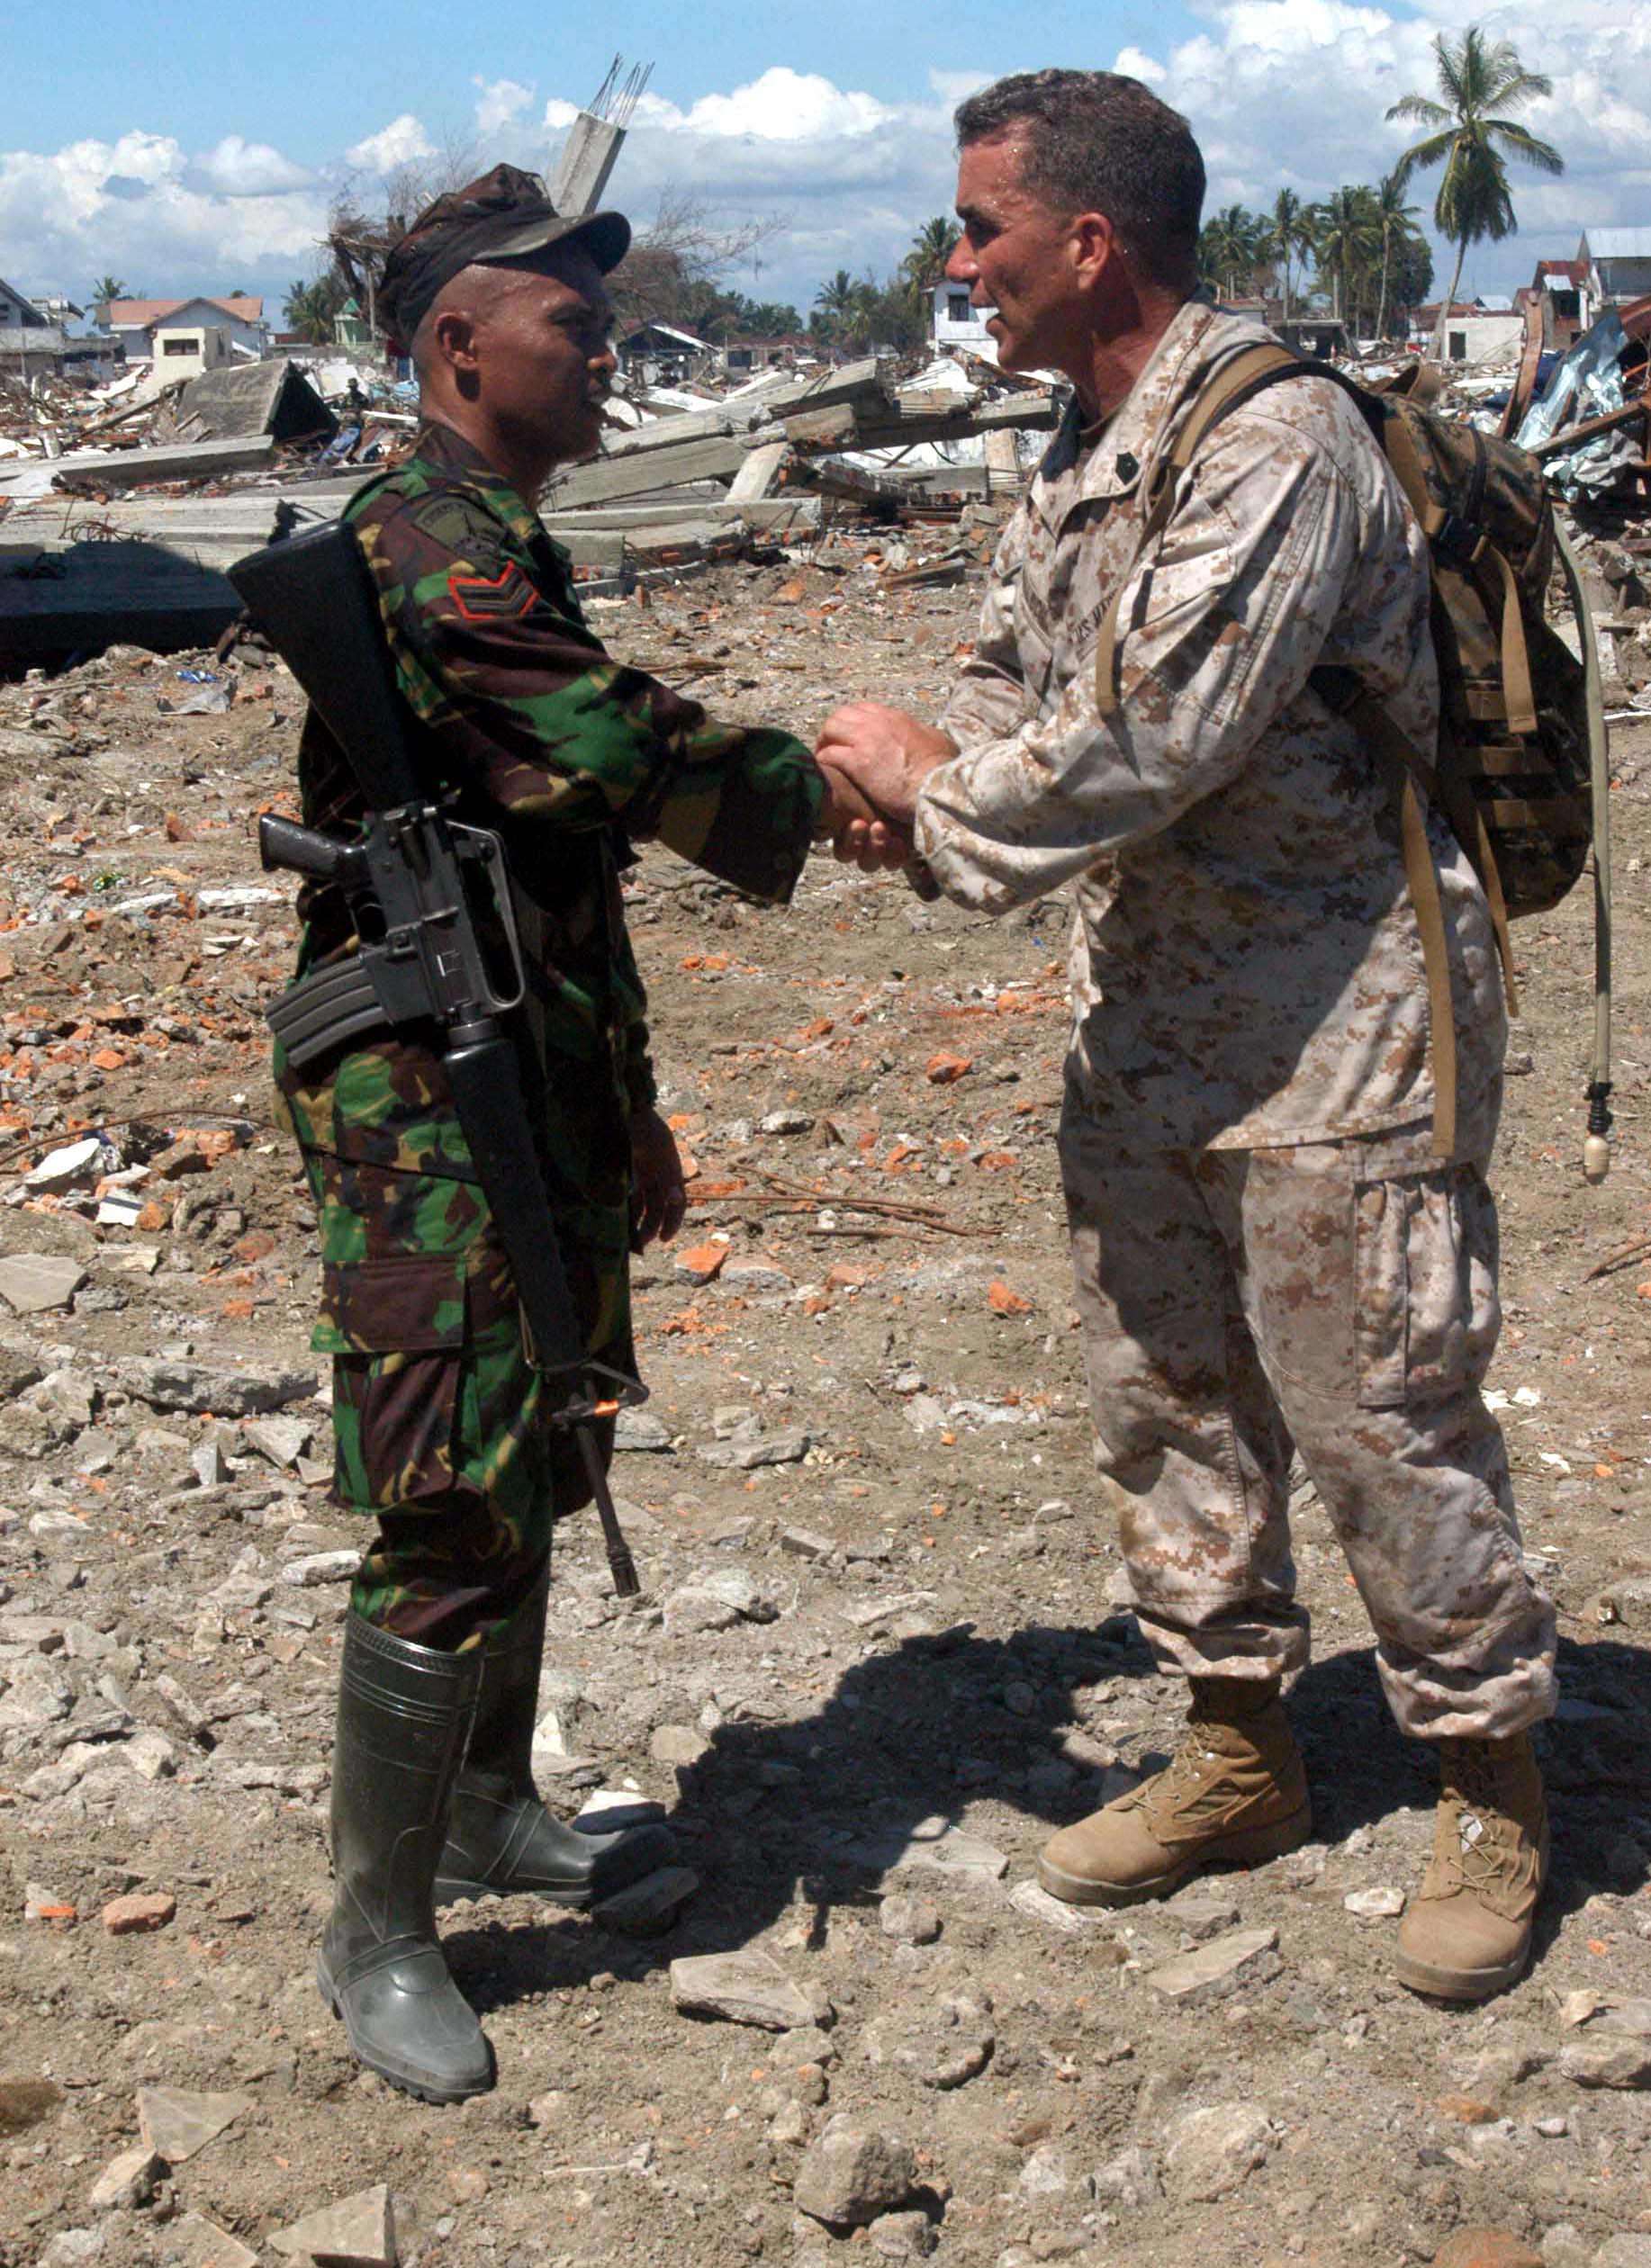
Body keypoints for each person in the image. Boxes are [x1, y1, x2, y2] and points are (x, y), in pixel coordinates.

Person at [817, 72, 1557, 2004]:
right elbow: (1013, 669)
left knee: (1377, 1415)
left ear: (1090, 242)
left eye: (979, 227)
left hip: (1347, 1024)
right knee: (1164, 1399)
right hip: (1151, 1015)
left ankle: (1490, 1776)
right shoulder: (1083, 439)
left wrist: (939, 800)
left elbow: (1154, 733)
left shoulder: (1279, 440)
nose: (954, 261)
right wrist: (910, 780)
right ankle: (1239, 1748)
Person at [275, 166, 881, 2100]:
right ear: (462, 345)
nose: (606, 352)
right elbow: (614, 747)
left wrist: (621, 1113)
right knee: (451, 1484)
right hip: (422, 1093)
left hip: (517, 1056)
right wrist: (843, 788)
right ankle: (378, 1930)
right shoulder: (433, 543)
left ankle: (488, 1812)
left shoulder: (494, 531)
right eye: (573, 324)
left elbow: (545, 867)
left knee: (547, 1421)